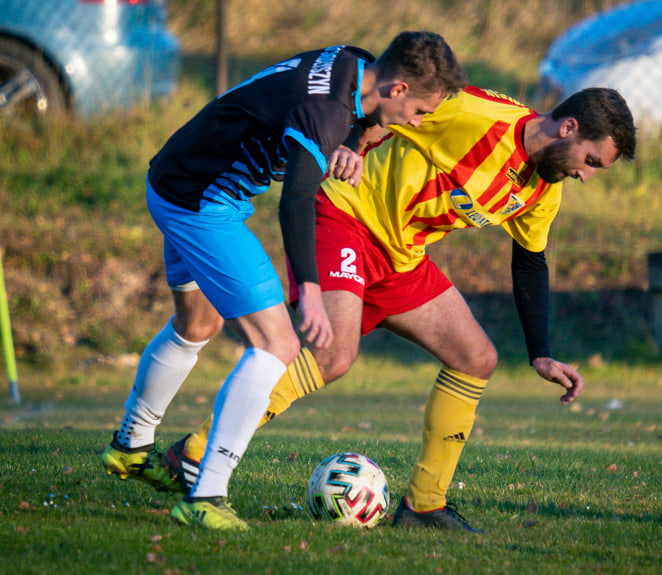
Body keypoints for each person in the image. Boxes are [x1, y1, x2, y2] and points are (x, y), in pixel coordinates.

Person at [161, 85, 636, 531]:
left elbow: (530, 261)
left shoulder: (543, 188)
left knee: (476, 358)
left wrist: (541, 352)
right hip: (344, 216)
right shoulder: (475, 113)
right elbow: (390, 102)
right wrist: (350, 143)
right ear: (569, 128)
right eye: (591, 161)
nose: (586, 175)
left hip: (401, 255)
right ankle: (196, 453)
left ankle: (424, 505)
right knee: (333, 356)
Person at [99, 31, 468, 531]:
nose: (417, 123)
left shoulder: (354, 64)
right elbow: (296, 197)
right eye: (421, 111)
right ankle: (207, 494)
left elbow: (347, 119)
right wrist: (311, 294)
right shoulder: (326, 112)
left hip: (174, 176)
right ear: (398, 89)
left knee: (197, 322)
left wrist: (355, 146)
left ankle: (131, 445)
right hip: (202, 201)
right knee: (276, 344)